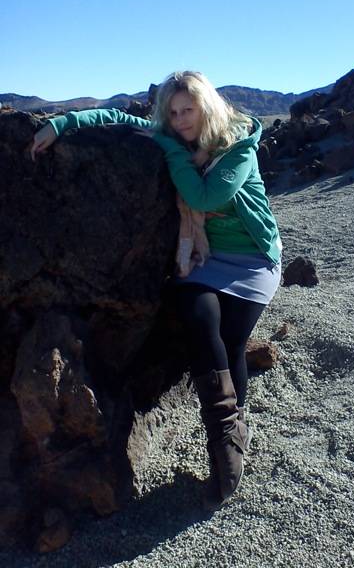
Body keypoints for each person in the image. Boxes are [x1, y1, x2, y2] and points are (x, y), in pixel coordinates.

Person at [31, 71, 282, 509]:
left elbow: (204, 197)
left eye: (189, 110)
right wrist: (63, 123)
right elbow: (116, 118)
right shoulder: (171, 134)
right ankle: (226, 436)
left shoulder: (238, 145)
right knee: (198, 316)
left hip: (253, 260)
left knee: (232, 342)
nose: (181, 120)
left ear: (207, 108)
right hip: (204, 259)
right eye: (173, 112)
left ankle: (229, 436)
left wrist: (171, 150)